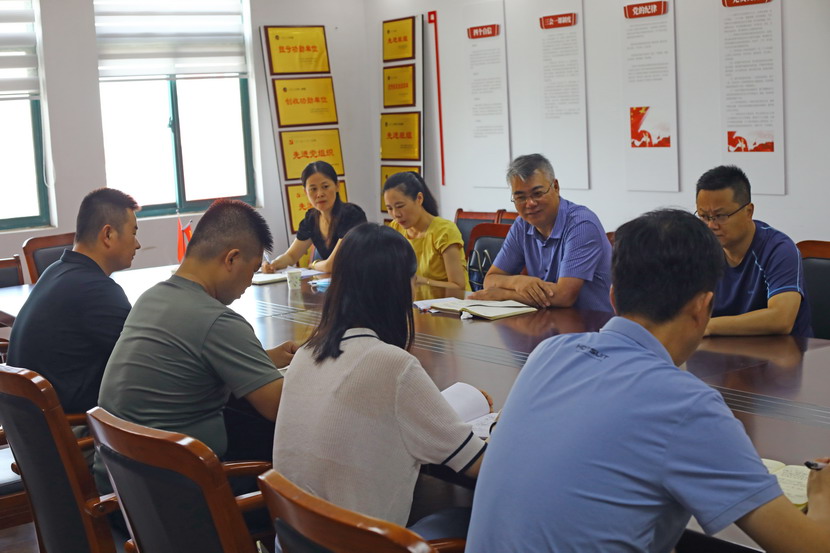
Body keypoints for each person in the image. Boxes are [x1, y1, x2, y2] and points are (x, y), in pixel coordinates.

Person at [466, 209, 830, 553]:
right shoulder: (686, 406)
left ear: (613, 297)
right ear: (703, 307)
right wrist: (822, 495)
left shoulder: (548, 353)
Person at [272, 223, 486, 539]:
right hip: (359, 544)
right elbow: (480, 464)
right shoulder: (393, 366)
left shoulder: (306, 353)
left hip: (295, 541)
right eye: (412, 280)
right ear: (399, 289)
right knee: (476, 518)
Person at [97, 199, 296, 490]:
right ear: (232, 259)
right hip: (179, 493)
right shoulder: (218, 321)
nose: (249, 283)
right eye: (253, 270)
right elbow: (281, 408)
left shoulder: (151, 298)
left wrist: (265, 359)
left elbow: (188, 361)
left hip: (122, 485)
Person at [7, 188, 140, 414]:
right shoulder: (97, 290)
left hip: (26, 428)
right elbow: (143, 361)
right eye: (133, 232)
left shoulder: (55, 271)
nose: (137, 244)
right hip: (70, 429)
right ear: (108, 234)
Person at [468, 153, 611, 311]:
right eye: (520, 197)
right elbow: (490, 280)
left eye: (537, 193)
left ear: (555, 187)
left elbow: (564, 296)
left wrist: (504, 295)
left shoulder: (582, 225)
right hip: (547, 319)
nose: (530, 203)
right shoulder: (522, 225)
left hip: (592, 322)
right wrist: (518, 282)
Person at [695, 165, 812, 336]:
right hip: (720, 348)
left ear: (748, 211)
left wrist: (709, 326)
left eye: (720, 216)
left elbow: (781, 319)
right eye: (704, 217)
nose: (711, 225)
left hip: (781, 349)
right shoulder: (700, 249)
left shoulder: (779, 249)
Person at [262, 160, 366, 274]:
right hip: (332, 281)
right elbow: (291, 256)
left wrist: (314, 264)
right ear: (305, 192)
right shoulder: (311, 219)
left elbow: (332, 265)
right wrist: (273, 265)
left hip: (359, 279)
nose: (320, 194)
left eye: (325, 186)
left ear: (337, 186)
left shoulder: (352, 215)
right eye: (313, 189)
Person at [383, 172, 470, 290]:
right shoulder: (395, 229)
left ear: (419, 199)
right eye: (389, 208)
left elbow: (458, 287)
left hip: (449, 302)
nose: (395, 214)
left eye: (400, 206)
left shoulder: (444, 231)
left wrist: (424, 282)